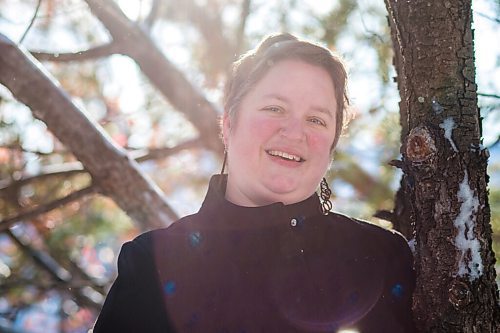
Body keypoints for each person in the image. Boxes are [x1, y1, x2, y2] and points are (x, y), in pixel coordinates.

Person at [93, 33, 416, 333]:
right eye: (274, 108)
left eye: (316, 119)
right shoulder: (152, 263)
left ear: (332, 143)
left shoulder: (378, 256)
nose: (294, 132)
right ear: (229, 123)